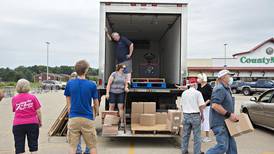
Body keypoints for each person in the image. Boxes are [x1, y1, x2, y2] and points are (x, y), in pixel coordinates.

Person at [65, 60, 100, 154]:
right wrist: (96, 112)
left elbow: (68, 98)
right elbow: (96, 102)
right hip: (87, 118)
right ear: (86, 71)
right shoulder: (92, 85)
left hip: (74, 117)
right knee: (92, 146)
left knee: (73, 146)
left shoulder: (70, 83)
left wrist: (69, 109)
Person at [206, 70, 239, 154]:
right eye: (229, 76)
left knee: (232, 149)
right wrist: (229, 114)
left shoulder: (227, 89)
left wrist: (232, 115)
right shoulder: (220, 89)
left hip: (227, 123)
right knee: (222, 147)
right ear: (223, 77)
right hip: (220, 123)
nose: (231, 78)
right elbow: (215, 105)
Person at [12, 79, 42, 154]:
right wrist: (40, 121)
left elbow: (15, 109)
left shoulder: (14, 99)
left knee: (19, 146)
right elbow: (38, 111)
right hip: (32, 123)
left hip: (18, 124)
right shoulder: (33, 97)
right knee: (33, 145)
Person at [181, 80, 205, 154]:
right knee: (197, 136)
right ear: (195, 85)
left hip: (186, 115)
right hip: (195, 115)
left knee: (185, 135)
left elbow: (181, 105)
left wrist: (185, 113)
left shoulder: (184, 93)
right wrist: (202, 115)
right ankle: (197, 152)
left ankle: (184, 151)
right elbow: (201, 105)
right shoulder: (198, 93)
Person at [197, 73, 213, 143]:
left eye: (199, 78)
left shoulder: (208, 86)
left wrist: (205, 104)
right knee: (199, 121)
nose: (198, 79)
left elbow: (210, 97)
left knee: (206, 121)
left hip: (206, 107)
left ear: (203, 79)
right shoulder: (199, 86)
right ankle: (198, 136)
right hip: (199, 107)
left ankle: (207, 137)